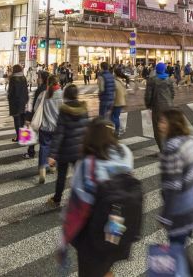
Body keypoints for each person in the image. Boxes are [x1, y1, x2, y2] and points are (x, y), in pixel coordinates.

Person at [56, 118, 136, 276]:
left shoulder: (87, 164)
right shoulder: (125, 153)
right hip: (118, 229)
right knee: (106, 266)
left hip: (94, 235)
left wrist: (63, 241)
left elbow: (77, 208)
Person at [157, 109, 193, 276]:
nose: (159, 125)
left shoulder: (171, 148)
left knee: (176, 252)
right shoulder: (189, 141)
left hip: (180, 211)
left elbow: (173, 186)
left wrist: (165, 216)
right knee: (179, 250)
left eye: (163, 121)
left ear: (173, 124)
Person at [48, 84, 89, 207]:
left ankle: (57, 199)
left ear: (66, 95)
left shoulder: (64, 110)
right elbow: (87, 130)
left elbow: (59, 134)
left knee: (61, 176)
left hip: (65, 150)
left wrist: (52, 155)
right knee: (80, 176)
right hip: (80, 149)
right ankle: (81, 199)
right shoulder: (84, 109)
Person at [34, 75, 63, 184]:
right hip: (58, 127)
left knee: (44, 146)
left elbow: (36, 109)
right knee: (55, 146)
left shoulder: (43, 94)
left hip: (44, 126)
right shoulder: (62, 94)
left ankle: (42, 169)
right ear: (58, 82)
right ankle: (52, 166)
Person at [145, 61, 176, 150]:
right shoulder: (169, 79)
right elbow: (173, 93)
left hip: (157, 107)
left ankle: (163, 150)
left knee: (158, 130)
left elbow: (148, 95)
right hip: (169, 107)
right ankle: (170, 148)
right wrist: (169, 101)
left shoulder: (152, 80)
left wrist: (148, 105)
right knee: (168, 128)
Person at [7, 64, 29, 143]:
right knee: (23, 120)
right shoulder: (23, 78)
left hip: (15, 102)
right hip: (23, 101)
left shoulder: (13, 78)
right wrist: (26, 99)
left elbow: (11, 91)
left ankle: (19, 137)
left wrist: (9, 98)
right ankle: (25, 138)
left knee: (17, 120)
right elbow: (26, 90)